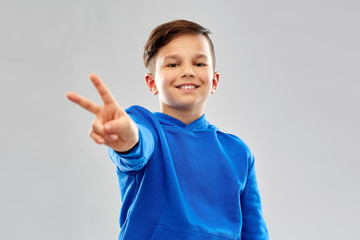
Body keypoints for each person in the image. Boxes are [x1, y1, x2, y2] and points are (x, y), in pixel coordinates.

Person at [67, 19, 269, 240]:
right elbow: (137, 146)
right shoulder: (144, 126)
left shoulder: (238, 151)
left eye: (200, 64)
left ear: (215, 80)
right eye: (173, 64)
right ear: (151, 82)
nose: (188, 71)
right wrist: (126, 140)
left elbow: (254, 230)